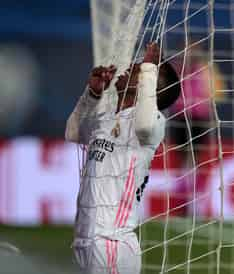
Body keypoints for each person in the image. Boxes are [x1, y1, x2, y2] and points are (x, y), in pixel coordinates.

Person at [65, 42, 180, 274]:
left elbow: (145, 125)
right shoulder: (108, 117)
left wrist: (148, 68)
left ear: (148, 85)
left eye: (136, 69)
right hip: (88, 241)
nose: (128, 68)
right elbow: (73, 133)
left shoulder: (153, 121)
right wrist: (92, 95)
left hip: (112, 242)